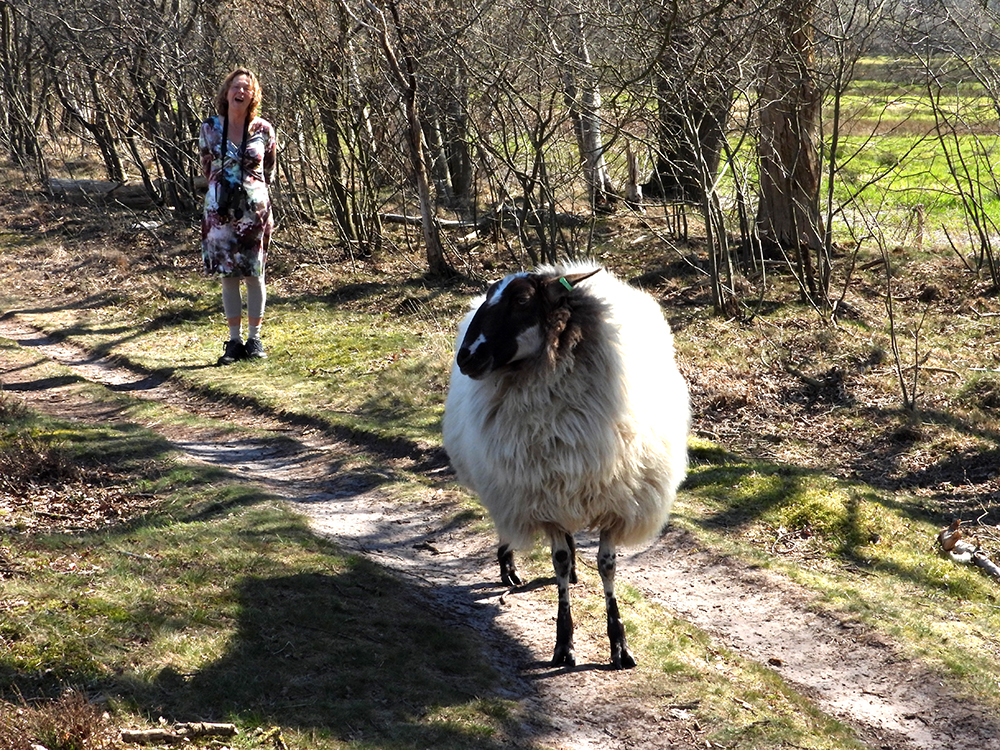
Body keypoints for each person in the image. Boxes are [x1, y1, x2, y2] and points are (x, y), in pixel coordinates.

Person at [199, 68, 276, 365]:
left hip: (254, 210)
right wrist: (223, 190)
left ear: (253, 96)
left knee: (254, 274)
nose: (240, 92)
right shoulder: (209, 128)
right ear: (226, 91)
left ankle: (255, 339)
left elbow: (268, 169)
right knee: (228, 275)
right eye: (236, 86)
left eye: (246, 88)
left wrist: (252, 191)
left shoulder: (263, 129)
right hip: (219, 212)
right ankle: (234, 341)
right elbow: (207, 166)